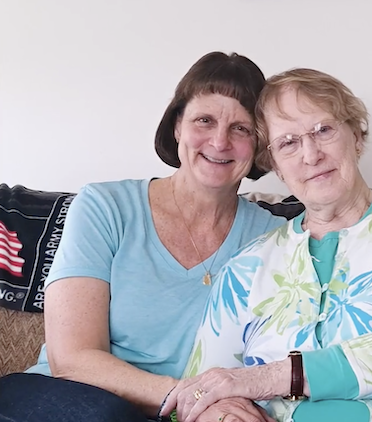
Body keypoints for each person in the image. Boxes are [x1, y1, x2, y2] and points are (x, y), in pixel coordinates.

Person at [161, 68, 372, 422]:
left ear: (356, 135)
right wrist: (222, 412)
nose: (311, 154)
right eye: (288, 143)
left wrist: (275, 377)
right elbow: (201, 389)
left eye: (323, 130)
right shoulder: (246, 267)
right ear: (276, 166)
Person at [0, 52, 286, 422]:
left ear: (259, 143)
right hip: (64, 402)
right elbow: (71, 359)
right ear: (177, 126)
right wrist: (191, 398)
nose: (220, 141)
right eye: (204, 120)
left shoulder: (276, 239)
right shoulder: (105, 207)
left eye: (241, 128)